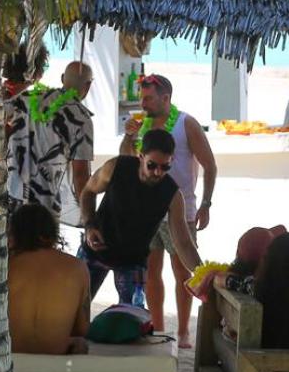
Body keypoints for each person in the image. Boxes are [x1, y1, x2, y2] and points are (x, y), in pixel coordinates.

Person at [120, 73, 216, 347]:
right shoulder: (142, 126)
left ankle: (184, 331)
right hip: (146, 211)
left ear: (166, 98)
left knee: (182, 273)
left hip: (181, 209)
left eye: (148, 98)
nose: (143, 103)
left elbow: (210, 165)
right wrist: (129, 136)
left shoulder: (186, 123)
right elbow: (126, 158)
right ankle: (159, 328)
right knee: (151, 272)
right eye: (142, 98)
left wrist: (206, 203)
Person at [79, 128, 205, 307]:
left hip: (132, 261)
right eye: (152, 165)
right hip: (95, 250)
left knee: (132, 316)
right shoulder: (116, 168)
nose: (158, 172)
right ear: (141, 157)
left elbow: (183, 242)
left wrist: (203, 272)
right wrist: (89, 226)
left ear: (171, 162)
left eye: (165, 167)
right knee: (73, 306)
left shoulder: (173, 195)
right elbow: (88, 192)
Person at [6, 47, 95, 249]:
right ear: (88, 86)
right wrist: (90, 219)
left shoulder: (25, 99)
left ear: (63, 78)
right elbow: (81, 175)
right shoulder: (81, 118)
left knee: (13, 255)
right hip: (45, 205)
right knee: (43, 258)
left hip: (12, 196)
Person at [8, 203, 90, 355]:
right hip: (55, 358)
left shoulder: (3, 266)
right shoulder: (77, 267)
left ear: (14, 234)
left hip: (9, 357)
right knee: (81, 344)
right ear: (52, 233)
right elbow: (82, 329)